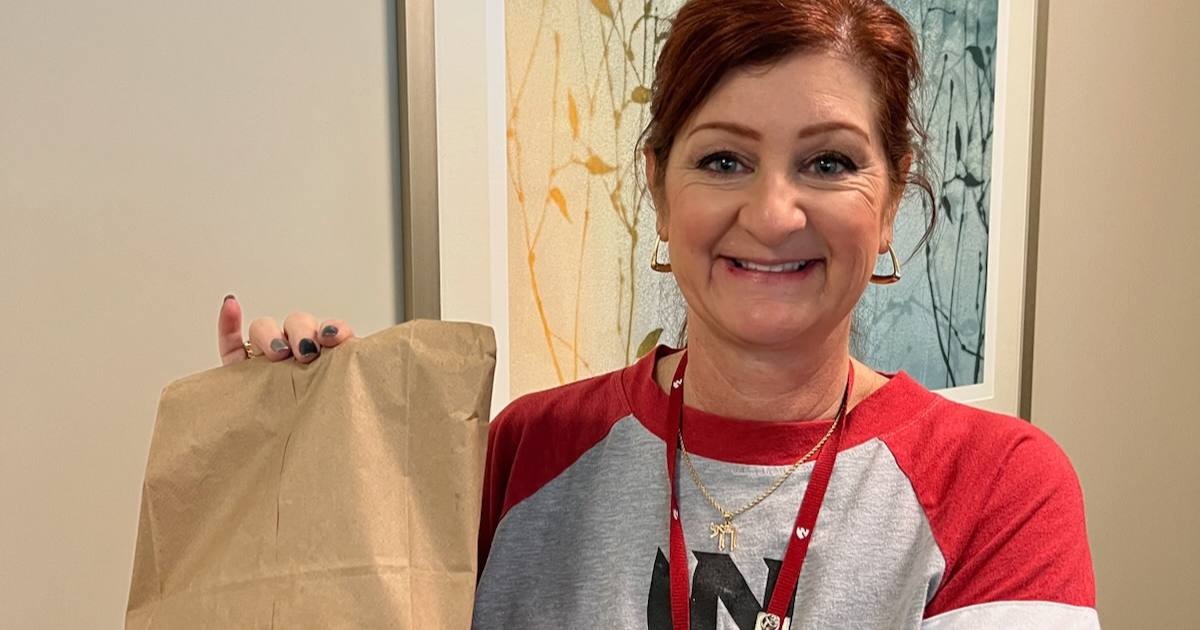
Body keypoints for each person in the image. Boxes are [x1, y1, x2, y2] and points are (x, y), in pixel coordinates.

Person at [216, 0, 1097, 627]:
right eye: (724, 161)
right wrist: (294, 465)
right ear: (657, 185)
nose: (774, 213)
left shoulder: (999, 489)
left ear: (894, 193)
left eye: (829, 163)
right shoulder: (527, 454)